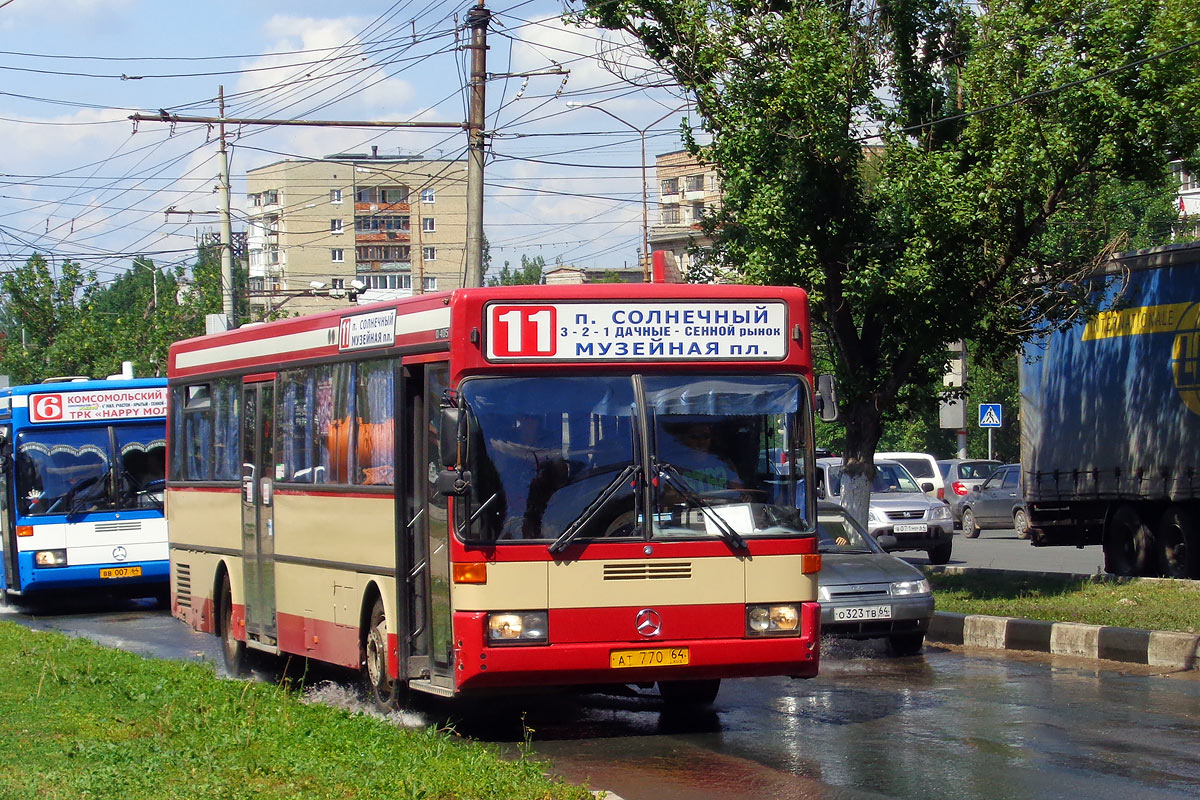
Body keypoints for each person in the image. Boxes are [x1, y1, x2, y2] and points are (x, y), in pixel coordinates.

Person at [657, 420, 743, 498]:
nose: (701, 441)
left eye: (706, 436)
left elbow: (739, 490)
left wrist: (745, 497)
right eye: (694, 437)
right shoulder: (671, 464)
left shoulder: (722, 462)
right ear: (683, 439)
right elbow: (666, 496)